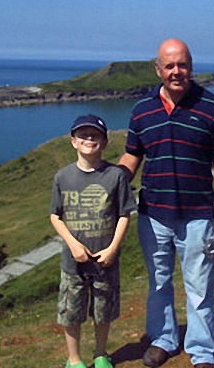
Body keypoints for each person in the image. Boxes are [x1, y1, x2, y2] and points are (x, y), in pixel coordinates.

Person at [118, 38, 214, 368]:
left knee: (199, 286)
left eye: (182, 64)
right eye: (169, 66)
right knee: (158, 282)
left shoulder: (213, 107)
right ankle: (163, 339)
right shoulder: (142, 110)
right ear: (158, 69)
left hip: (198, 214)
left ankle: (202, 351)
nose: (176, 71)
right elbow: (132, 155)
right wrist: (112, 183)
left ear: (191, 66)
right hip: (153, 213)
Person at [50, 114, 137, 368]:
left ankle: (100, 354)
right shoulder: (62, 176)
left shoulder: (115, 176)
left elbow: (124, 214)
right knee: (72, 313)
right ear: (73, 142)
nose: (89, 139)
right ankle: (74, 359)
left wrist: (112, 249)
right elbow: (55, 216)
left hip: (105, 261)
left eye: (95, 135)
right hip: (73, 261)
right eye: (83, 135)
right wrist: (73, 244)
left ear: (105, 142)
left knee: (103, 311)